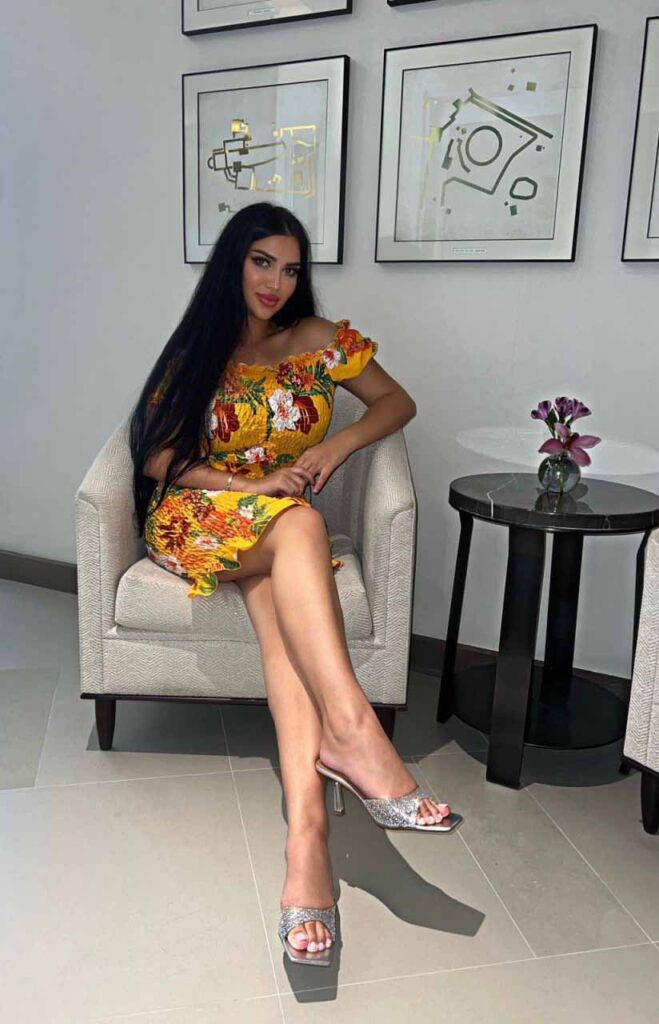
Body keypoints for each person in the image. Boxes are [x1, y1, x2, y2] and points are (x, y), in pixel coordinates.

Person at [129, 201, 459, 968]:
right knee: (301, 525)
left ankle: (307, 842)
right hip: (199, 516)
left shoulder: (319, 340)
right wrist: (253, 486)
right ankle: (352, 729)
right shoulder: (198, 348)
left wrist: (338, 446)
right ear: (233, 263)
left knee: (283, 621)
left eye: (289, 268)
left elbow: (397, 401)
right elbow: (156, 458)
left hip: (275, 531)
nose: (274, 281)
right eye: (260, 262)